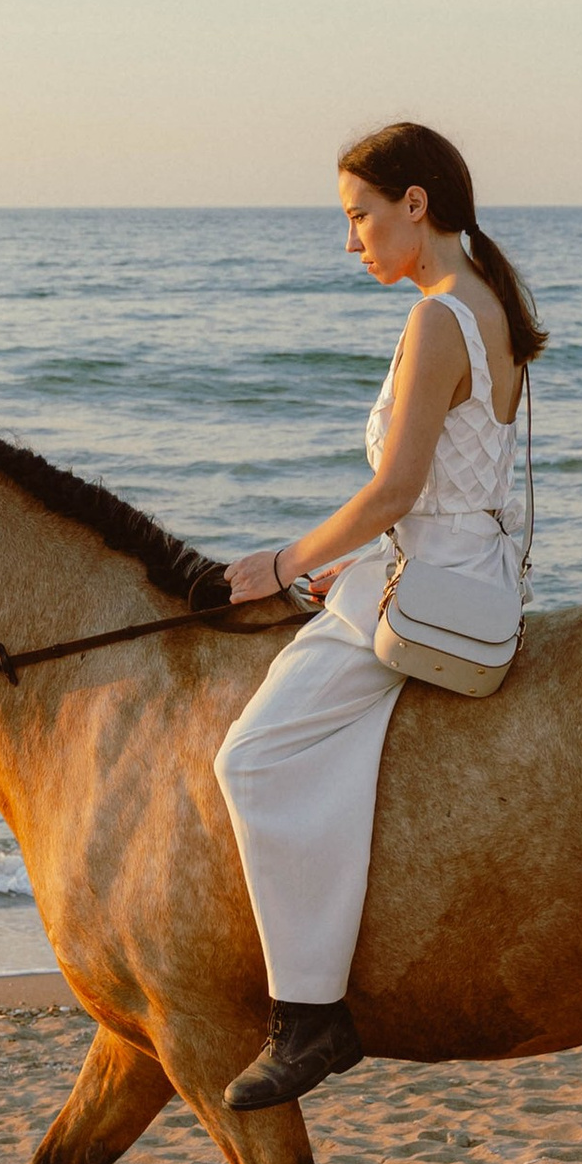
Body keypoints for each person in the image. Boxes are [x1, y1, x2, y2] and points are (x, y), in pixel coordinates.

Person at [214, 120, 546, 1112]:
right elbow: (453, 487)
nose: (350, 239)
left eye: (359, 214)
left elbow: (399, 488)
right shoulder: (485, 301)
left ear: (416, 204)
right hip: (469, 560)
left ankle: (310, 1012)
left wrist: (285, 561)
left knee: (253, 757)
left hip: (429, 575)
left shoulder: (438, 318)